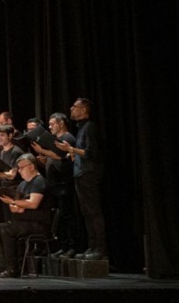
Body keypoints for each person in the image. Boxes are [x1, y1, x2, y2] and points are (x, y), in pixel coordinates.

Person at [55, 98, 106, 261]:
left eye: (75, 107)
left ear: (84, 110)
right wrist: (71, 153)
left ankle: (100, 249)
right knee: (86, 212)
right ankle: (92, 246)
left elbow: (92, 152)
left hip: (88, 174)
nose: (71, 109)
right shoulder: (81, 128)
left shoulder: (90, 127)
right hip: (80, 173)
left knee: (93, 212)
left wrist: (71, 149)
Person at [0, 153, 52, 278]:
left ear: (32, 167)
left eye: (22, 168)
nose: (19, 171)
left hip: (37, 223)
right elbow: (19, 204)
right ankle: (1, 266)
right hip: (23, 221)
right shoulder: (23, 184)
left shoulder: (39, 181)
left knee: (7, 231)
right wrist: (15, 207)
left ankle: (13, 269)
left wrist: (13, 202)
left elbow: (33, 204)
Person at [33, 112, 80, 259]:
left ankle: (71, 247)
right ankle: (63, 246)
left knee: (67, 216)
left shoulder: (67, 139)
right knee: (59, 217)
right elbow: (54, 160)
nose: (50, 126)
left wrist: (42, 151)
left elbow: (61, 157)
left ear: (61, 124)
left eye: (52, 124)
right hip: (56, 185)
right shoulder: (56, 140)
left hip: (64, 184)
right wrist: (43, 160)